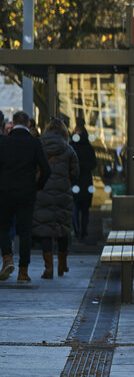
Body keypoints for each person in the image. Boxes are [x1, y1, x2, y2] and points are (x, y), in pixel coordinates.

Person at [0, 111, 50, 282]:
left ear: (13, 124)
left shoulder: (3, 142)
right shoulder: (34, 143)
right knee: (25, 231)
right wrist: (37, 186)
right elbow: (46, 169)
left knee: (3, 226)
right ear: (28, 124)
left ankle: (7, 258)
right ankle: (23, 271)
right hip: (27, 192)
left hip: (5, 191)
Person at [32, 118, 79, 279]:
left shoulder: (39, 146)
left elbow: (33, 169)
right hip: (63, 194)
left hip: (43, 192)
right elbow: (75, 173)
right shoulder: (69, 150)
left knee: (45, 229)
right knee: (62, 229)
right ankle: (62, 265)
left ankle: (48, 268)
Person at [70, 118, 98, 241]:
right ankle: (83, 231)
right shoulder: (88, 147)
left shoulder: (72, 147)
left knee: (75, 207)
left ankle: (77, 231)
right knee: (85, 209)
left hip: (75, 180)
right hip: (86, 180)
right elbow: (93, 164)